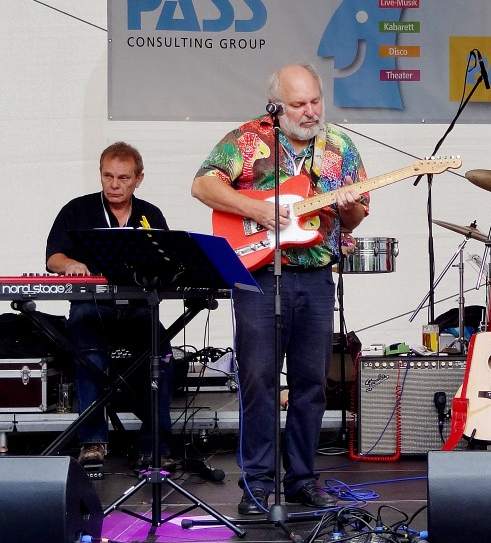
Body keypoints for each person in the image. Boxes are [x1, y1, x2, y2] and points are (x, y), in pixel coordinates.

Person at [191, 64, 369, 514]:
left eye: (315, 101)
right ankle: (256, 484)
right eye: (298, 104)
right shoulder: (247, 139)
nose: (310, 112)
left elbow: (356, 216)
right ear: (276, 106)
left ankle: (302, 479)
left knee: (312, 384)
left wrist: (348, 208)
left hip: (315, 277)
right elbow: (203, 184)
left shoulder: (340, 147)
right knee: (258, 381)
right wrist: (256, 209)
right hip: (257, 275)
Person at [45, 141, 175, 470]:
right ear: (101, 175)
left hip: (139, 307)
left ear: (138, 179)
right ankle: (92, 442)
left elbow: (167, 264)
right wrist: (70, 264)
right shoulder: (77, 209)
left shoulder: (151, 215)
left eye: (123, 178)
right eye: (108, 176)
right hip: (93, 305)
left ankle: (155, 446)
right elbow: (53, 258)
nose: (114, 185)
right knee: (87, 350)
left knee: (162, 352)